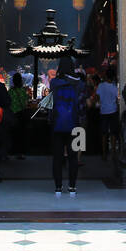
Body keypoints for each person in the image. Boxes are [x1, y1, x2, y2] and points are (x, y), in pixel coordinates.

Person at [49, 56, 83, 197]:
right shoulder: (79, 84)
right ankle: (72, 186)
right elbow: (81, 104)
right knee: (73, 157)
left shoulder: (54, 83)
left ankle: (58, 187)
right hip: (75, 126)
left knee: (57, 157)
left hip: (57, 125)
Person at [97, 69, 120, 160]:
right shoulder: (114, 87)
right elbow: (117, 98)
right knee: (113, 132)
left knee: (104, 133)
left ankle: (104, 153)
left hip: (103, 111)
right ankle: (113, 152)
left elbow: (98, 98)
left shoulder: (101, 86)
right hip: (113, 111)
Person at [8, 72, 30, 159]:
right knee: (21, 134)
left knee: (13, 134)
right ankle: (20, 153)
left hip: (12, 114)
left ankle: (12, 151)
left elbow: (8, 102)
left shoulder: (10, 91)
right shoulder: (23, 91)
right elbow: (26, 102)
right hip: (21, 115)